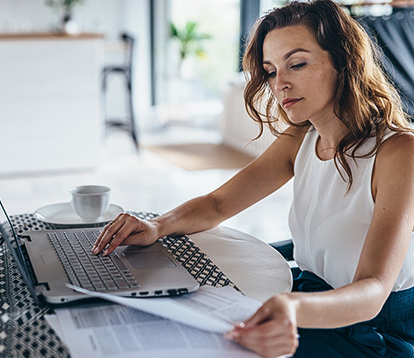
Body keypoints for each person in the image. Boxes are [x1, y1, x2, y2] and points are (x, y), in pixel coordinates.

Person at [92, 0, 414, 356]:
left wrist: (293, 309)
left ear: (343, 62)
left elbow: (372, 291)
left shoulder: (400, 152)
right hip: (307, 296)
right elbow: (218, 204)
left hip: (374, 329)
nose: (281, 84)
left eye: (298, 64)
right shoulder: (301, 138)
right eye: (272, 70)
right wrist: (156, 225)